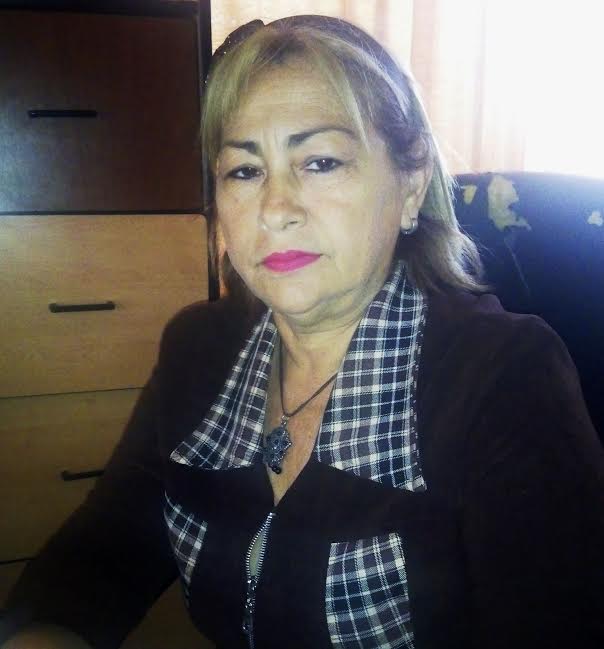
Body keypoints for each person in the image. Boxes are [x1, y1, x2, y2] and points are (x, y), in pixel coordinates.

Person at [2, 14, 603, 649]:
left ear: (411, 184)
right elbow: (106, 549)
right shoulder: (199, 350)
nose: (275, 209)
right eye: (244, 170)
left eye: (319, 162)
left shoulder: (506, 377)